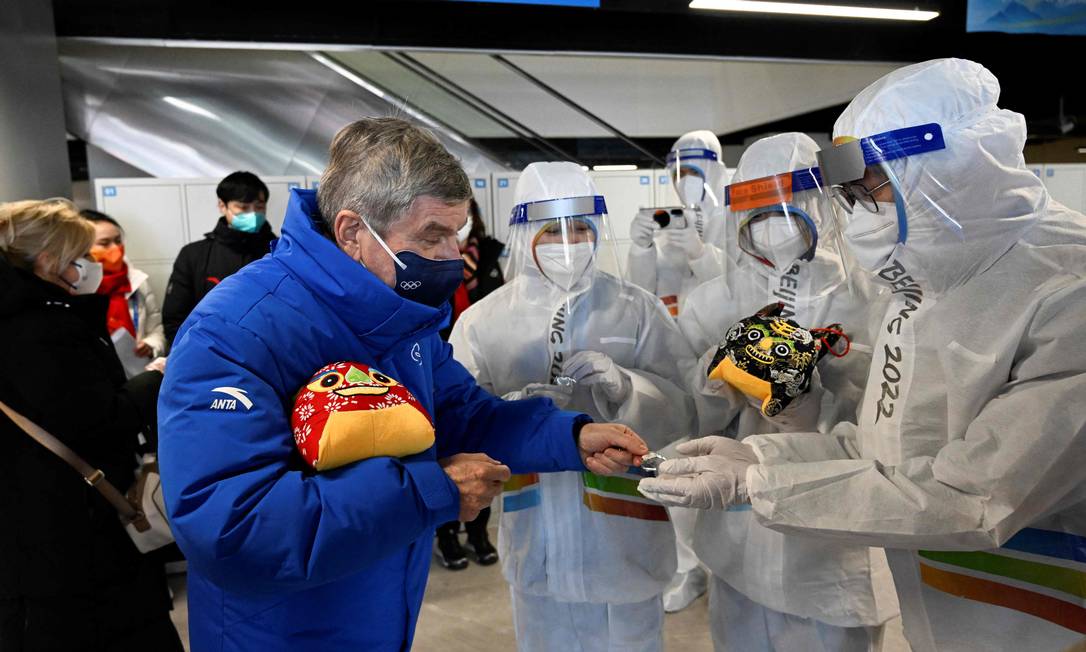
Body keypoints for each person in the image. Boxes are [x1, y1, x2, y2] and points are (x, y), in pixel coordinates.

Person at [640, 58, 1086, 652]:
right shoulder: (924, 288)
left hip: (1046, 616)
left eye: (868, 185)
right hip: (943, 603)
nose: (855, 212)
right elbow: (884, 448)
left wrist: (762, 483)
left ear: (950, 168)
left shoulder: (1066, 291)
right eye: (846, 193)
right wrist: (758, 451)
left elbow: (974, 497)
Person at [157, 118, 651, 652]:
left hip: (378, 613)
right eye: (431, 236)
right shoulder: (235, 332)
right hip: (280, 630)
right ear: (352, 231)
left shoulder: (398, 315)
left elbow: (463, 413)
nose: (449, 257)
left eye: (455, 235)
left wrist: (569, 438)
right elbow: (231, 527)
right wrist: (429, 490)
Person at [448, 161, 697, 652]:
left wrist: (627, 388)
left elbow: (686, 406)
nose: (569, 241)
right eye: (551, 230)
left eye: (581, 227)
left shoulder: (636, 308)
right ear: (523, 233)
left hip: (626, 535)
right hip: (536, 533)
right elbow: (456, 418)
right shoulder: (484, 321)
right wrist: (514, 412)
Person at [675, 132, 898, 651]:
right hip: (738, 528)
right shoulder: (713, 300)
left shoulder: (870, 290)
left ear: (820, 205)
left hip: (834, 524)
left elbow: (892, 411)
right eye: (757, 212)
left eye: (788, 208)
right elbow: (689, 412)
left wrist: (813, 400)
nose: (774, 227)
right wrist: (716, 382)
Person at [0, 199, 183, 652]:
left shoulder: (21, 321)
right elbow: (99, 420)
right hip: (77, 532)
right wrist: (155, 381)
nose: (89, 264)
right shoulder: (43, 331)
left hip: (36, 530)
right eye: (80, 254)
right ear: (48, 261)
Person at [436, 198, 506, 570]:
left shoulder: (490, 254)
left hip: (480, 370)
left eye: (463, 220)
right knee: (445, 452)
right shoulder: (430, 260)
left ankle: (479, 532)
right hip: (438, 365)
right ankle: (446, 534)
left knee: (482, 451)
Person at [161, 171, 276, 348]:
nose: (253, 214)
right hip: (208, 352)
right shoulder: (194, 255)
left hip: (270, 352)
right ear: (222, 206)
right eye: (243, 207)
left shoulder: (279, 251)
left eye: (259, 207)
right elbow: (175, 321)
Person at [626, 130, 733, 318]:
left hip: (720, 337)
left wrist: (701, 255)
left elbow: (737, 292)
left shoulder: (734, 223)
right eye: (679, 174)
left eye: (694, 172)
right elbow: (641, 292)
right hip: (673, 336)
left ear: (712, 173)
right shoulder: (668, 225)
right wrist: (641, 249)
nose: (684, 181)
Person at [81, 209, 167, 371]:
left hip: (137, 372)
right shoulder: (75, 288)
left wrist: (151, 344)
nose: (115, 248)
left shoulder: (137, 281)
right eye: (104, 243)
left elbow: (156, 329)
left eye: (118, 240)